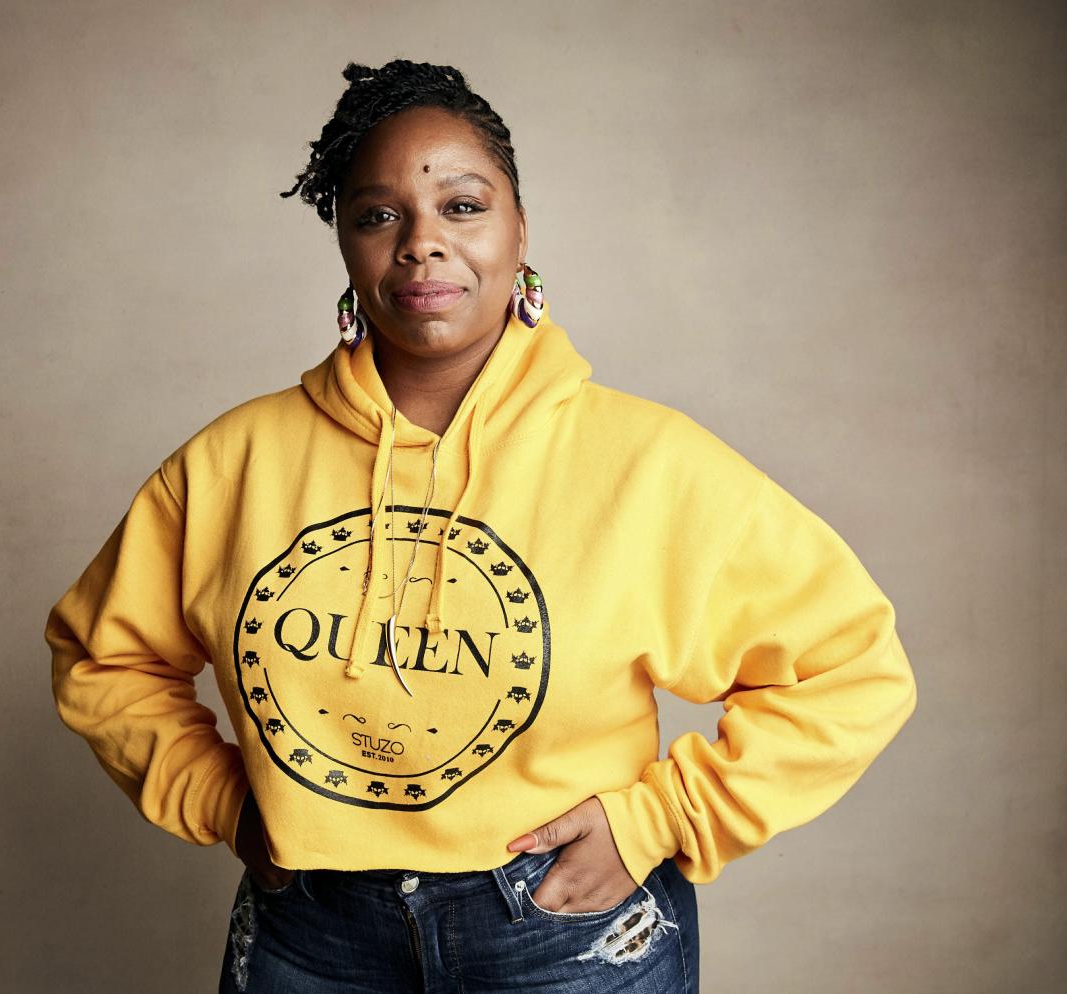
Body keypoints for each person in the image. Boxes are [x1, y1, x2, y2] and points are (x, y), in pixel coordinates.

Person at [45, 59, 917, 994]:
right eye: (380, 215)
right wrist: (218, 797)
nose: (422, 244)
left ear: (519, 229)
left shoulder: (647, 463)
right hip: (313, 935)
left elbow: (851, 666)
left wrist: (663, 819)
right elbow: (104, 657)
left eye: (463, 206)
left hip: (563, 931)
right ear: (343, 240)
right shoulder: (233, 463)